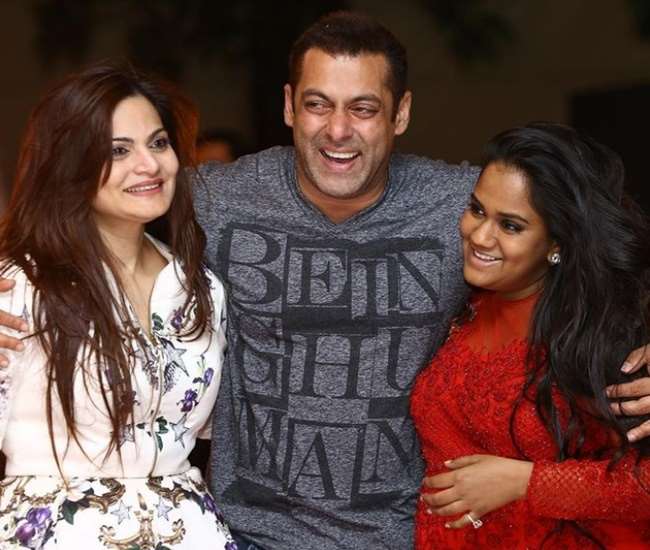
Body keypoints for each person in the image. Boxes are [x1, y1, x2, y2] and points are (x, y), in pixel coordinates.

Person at [0, 12, 648, 550]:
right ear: (289, 106)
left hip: (404, 535)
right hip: (240, 534)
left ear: (400, 113)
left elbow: (587, 242)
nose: (338, 130)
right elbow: (82, 207)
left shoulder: (464, 206)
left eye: (364, 108)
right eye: (318, 104)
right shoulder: (211, 197)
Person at [0, 63, 236, 549]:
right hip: (57, 532)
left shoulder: (201, 288)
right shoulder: (24, 283)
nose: (149, 165)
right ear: (70, 164)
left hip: (191, 530)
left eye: (158, 143)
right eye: (118, 151)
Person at [412, 122, 650, 548]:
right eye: (477, 210)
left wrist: (525, 481)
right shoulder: (462, 305)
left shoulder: (593, 335)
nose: (479, 236)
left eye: (511, 226)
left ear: (556, 242)